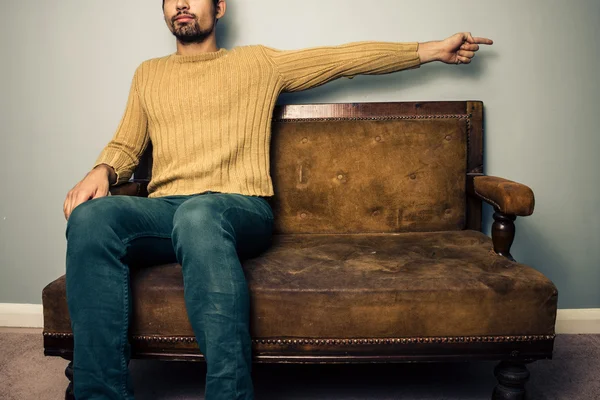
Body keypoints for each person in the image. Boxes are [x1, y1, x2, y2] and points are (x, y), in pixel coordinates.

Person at [62, 0, 493, 398]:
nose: (180, 4)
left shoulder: (257, 64)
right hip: (168, 208)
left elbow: (341, 59)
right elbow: (126, 144)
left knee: (199, 214)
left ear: (219, 7)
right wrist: (102, 169)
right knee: (91, 219)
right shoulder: (148, 73)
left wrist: (431, 49)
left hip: (239, 206)